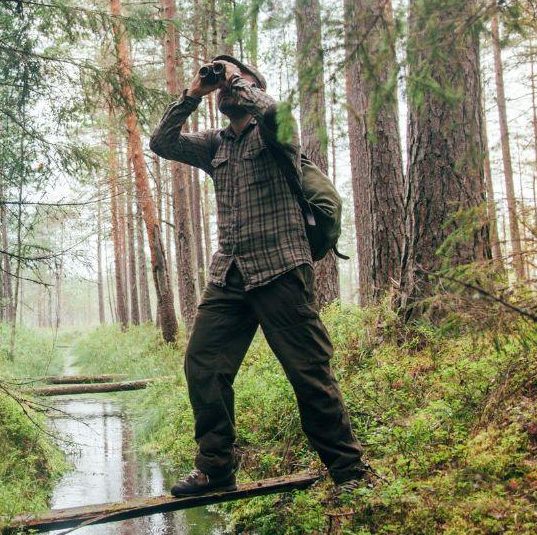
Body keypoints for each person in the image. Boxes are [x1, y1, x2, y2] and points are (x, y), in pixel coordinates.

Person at [148, 55, 372, 496]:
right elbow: (162, 142)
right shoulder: (216, 145)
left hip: (281, 270)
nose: (225, 85)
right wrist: (194, 93)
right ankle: (216, 467)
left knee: (308, 372)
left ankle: (349, 472)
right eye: (222, 79)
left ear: (253, 87)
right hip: (229, 275)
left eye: (235, 78)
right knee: (203, 365)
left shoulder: (276, 135)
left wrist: (239, 83)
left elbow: (275, 113)